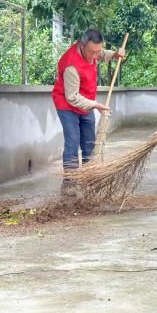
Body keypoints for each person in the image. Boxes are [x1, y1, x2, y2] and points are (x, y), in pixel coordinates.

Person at [52, 29, 125, 197]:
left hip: (86, 102)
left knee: (89, 141)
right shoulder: (71, 64)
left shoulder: (93, 52)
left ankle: (89, 177)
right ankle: (70, 182)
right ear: (82, 45)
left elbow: (101, 54)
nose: (95, 56)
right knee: (73, 140)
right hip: (68, 103)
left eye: (98, 51)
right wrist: (96, 105)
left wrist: (115, 54)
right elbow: (72, 97)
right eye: (92, 52)